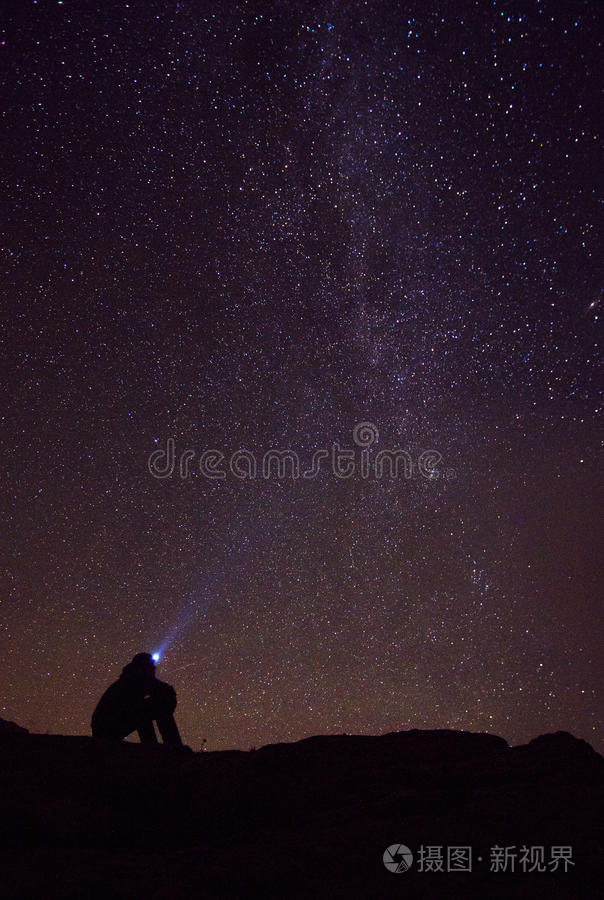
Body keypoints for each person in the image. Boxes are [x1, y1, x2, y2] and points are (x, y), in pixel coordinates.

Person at [91, 652, 183, 746]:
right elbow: (163, 690)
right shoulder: (136, 678)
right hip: (106, 727)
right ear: (143, 666)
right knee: (156, 705)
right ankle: (171, 745)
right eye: (151, 666)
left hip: (103, 727)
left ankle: (154, 745)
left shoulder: (130, 678)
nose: (154, 669)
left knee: (145, 707)